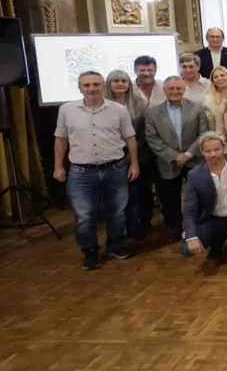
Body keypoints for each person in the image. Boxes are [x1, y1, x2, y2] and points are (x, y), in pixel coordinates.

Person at [55, 72, 139, 269]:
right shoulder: (66, 110)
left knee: (117, 212)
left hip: (115, 169)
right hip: (81, 172)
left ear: (103, 86)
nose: (91, 88)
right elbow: (61, 139)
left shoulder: (118, 110)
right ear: (79, 88)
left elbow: (130, 138)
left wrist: (134, 164)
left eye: (96, 84)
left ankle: (115, 246)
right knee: (84, 216)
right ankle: (90, 251)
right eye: (87, 85)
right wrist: (58, 166)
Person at [145, 76, 208, 236]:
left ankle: (198, 226)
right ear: (164, 90)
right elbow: (152, 139)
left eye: (178, 88)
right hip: (167, 162)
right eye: (171, 88)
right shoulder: (152, 113)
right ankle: (176, 228)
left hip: (194, 160)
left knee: (198, 195)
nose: (175, 91)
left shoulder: (197, 107)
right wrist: (174, 156)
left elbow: (203, 134)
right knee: (170, 199)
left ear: (184, 89)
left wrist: (187, 154)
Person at [180, 132, 227, 260]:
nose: (213, 154)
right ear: (202, 152)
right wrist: (192, 237)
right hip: (212, 218)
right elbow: (189, 210)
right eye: (208, 151)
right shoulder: (195, 175)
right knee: (186, 248)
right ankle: (218, 238)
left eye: (216, 149)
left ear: (223, 148)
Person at [104, 70, 155, 241]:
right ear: (109, 84)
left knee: (141, 193)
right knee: (118, 198)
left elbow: (143, 134)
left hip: (139, 155)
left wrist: (130, 155)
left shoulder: (140, 104)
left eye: (123, 80)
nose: (120, 84)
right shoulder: (101, 104)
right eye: (116, 81)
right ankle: (120, 230)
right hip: (111, 157)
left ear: (129, 84)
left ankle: (141, 225)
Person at [203, 66, 227, 131]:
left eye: (222, 75)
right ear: (213, 81)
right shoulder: (208, 100)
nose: (219, 78)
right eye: (215, 77)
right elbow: (211, 125)